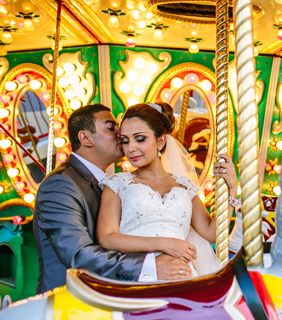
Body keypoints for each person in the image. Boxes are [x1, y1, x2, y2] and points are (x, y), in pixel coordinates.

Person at [34, 104, 190, 294]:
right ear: (85, 138)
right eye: (111, 127)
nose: (120, 134)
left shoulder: (112, 184)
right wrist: (150, 266)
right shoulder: (61, 185)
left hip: (113, 292)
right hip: (71, 301)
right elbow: (79, 255)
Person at [96, 102, 237, 278]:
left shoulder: (184, 186)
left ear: (160, 141)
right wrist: (164, 244)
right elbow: (107, 237)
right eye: (125, 141)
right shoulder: (117, 184)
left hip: (183, 274)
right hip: (140, 274)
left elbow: (212, 232)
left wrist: (231, 190)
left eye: (140, 139)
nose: (131, 148)